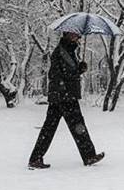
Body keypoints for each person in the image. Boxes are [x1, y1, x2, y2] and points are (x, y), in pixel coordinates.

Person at [28, 31, 104, 169]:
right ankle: (89, 156)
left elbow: (68, 72)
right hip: (64, 96)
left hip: (61, 96)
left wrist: (79, 69)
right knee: (77, 126)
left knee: (50, 128)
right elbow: (56, 74)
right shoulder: (60, 52)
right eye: (75, 35)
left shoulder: (68, 51)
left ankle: (35, 158)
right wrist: (76, 71)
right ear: (67, 35)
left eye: (78, 36)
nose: (77, 38)